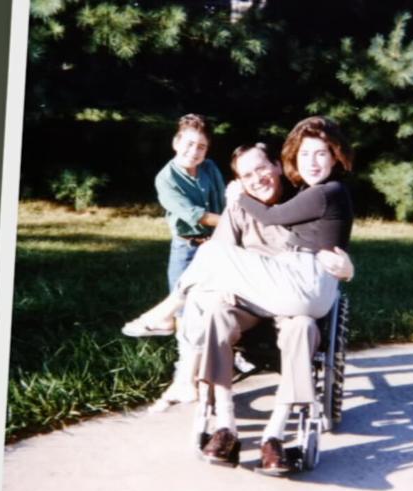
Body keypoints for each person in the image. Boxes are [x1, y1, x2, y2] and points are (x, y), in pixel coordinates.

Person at [124, 116, 354, 469]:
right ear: (238, 182)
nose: (257, 179)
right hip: (245, 303)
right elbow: (218, 262)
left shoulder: (306, 194)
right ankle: (226, 425)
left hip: (290, 306)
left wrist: (349, 268)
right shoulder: (238, 210)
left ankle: (274, 435)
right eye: (246, 176)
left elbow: (332, 248)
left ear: (277, 166)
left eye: (262, 169)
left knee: (303, 326)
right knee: (216, 309)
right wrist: (219, 289)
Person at [123, 116, 353, 331]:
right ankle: (176, 326)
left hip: (305, 286)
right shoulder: (324, 192)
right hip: (316, 288)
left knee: (212, 253)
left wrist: (239, 198)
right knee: (210, 270)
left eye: (321, 154)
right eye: (304, 154)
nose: (311, 162)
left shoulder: (323, 192)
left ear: (335, 156)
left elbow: (271, 217)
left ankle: (165, 315)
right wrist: (348, 270)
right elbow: (332, 249)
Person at [154, 113, 225, 307]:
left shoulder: (209, 167)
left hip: (217, 242)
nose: (194, 151)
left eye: (201, 147)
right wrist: (234, 221)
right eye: (189, 143)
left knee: (217, 298)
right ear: (176, 142)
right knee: (180, 302)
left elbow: (223, 199)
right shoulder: (165, 178)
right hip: (187, 247)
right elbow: (196, 215)